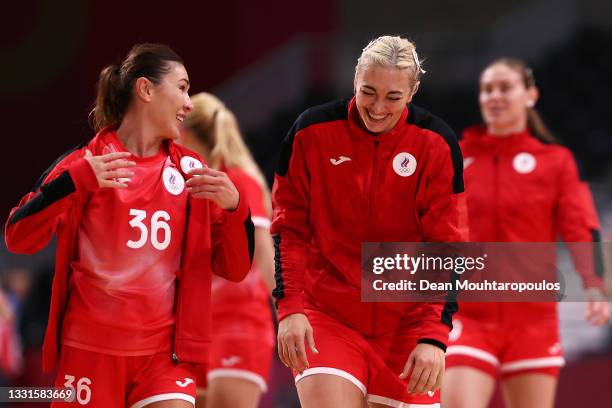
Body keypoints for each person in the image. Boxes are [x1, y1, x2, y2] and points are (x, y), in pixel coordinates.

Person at [4, 43, 255, 408]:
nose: (189, 103)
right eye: (182, 88)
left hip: (164, 358)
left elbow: (234, 267)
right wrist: (73, 183)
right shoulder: (86, 163)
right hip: (90, 354)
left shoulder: (192, 171)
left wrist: (235, 208)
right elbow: (18, 237)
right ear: (146, 89)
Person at [272, 35, 467, 408]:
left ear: (413, 91)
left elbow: (446, 247)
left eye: (393, 97)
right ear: (354, 81)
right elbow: (289, 228)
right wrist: (290, 308)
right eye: (368, 91)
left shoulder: (436, 144)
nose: (377, 107)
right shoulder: (310, 132)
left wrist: (433, 336)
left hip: (407, 324)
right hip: (327, 316)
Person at [442, 57, 610, 408]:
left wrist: (593, 283)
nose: (495, 96)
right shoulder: (457, 159)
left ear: (530, 95)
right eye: (487, 89)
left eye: (505, 88)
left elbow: (580, 224)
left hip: (532, 320)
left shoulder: (555, 162)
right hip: (470, 315)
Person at [178, 92, 275, 408]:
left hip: (239, 324)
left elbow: (264, 254)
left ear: (187, 134)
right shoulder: (192, 189)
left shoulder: (236, 184)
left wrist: (291, 313)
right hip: (198, 328)